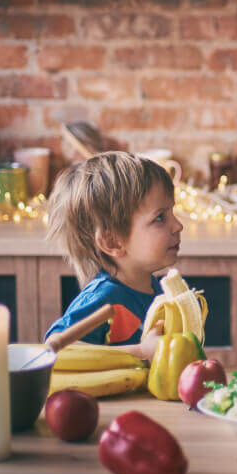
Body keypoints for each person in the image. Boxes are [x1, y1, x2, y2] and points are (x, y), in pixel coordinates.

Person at [44, 151, 183, 360]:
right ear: (113, 242)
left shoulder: (153, 288)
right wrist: (140, 352)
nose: (178, 225)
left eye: (172, 212)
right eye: (160, 217)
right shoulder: (103, 297)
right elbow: (57, 349)